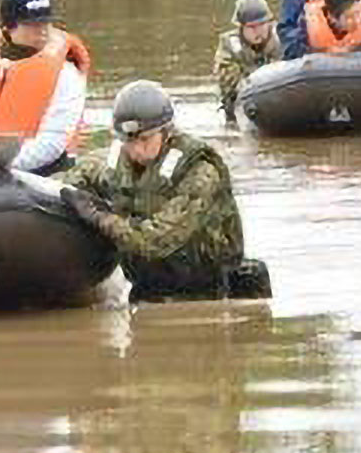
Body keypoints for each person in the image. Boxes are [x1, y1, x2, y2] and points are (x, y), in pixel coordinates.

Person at [59, 80, 271, 301]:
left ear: (166, 132)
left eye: (144, 139)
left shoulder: (199, 171)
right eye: (128, 141)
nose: (136, 150)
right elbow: (74, 177)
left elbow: (155, 241)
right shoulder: (116, 160)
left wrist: (100, 218)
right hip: (147, 285)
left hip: (205, 288)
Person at [0, 0, 91, 176]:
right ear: (9, 26)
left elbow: (52, 143)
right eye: (33, 24)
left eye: (47, 23)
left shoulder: (66, 74)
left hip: (49, 171)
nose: (43, 30)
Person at [212, 0, 281, 120]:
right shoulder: (230, 47)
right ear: (241, 28)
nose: (257, 31)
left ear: (269, 23)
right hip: (245, 102)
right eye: (251, 27)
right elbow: (229, 83)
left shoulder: (283, 39)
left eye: (261, 25)